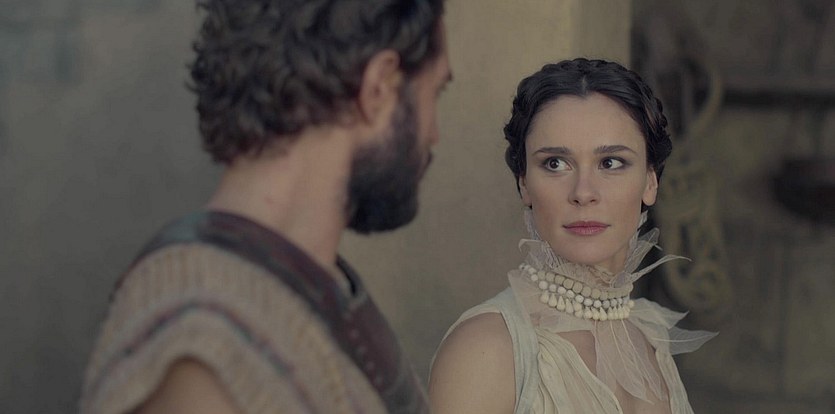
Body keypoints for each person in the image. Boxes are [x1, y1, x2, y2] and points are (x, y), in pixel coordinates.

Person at [80, 0, 451, 413]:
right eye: (434, 93)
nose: (433, 134)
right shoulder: (205, 355)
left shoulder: (314, 287)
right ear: (378, 87)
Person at [428, 58, 714, 414]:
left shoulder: (650, 339)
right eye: (555, 163)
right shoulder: (485, 350)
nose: (583, 193)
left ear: (650, 182)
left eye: (611, 163)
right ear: (524, 184)